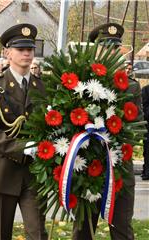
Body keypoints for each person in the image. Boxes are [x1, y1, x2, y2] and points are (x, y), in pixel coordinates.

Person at [0, 24, 47, 239]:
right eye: (20, 49)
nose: (27, 53)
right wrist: (24, 148)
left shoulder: (43, 87)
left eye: (30, 49)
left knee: (37, 233)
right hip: (0, 171)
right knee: (0, 235)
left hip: (34, 174)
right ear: (7, 53)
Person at [73, 22, 141, 240]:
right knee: (83, 230)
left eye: (115, 47)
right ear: (96, 49)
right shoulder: (82, 82)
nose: (112, 52)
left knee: (121, 229)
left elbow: (137, 126)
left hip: (119, 167)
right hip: (88, 167)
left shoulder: (131, 86)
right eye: (106, 47)